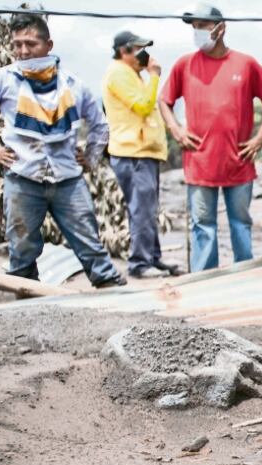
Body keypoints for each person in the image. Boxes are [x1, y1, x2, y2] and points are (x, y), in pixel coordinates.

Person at [0, 14, 125, 287]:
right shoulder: (2, 79)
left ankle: (110, 288)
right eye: (17, 45)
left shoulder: (72, 85)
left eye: (30, 43)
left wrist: (90, 157)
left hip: (67, 178)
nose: (23, 51)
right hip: (23, 176)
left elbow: (100, 125)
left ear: (48, 44)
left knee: (88, 239)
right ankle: (26, 298)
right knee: (22, 247)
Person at [158, 3, 262, 273]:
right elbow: (163, 101)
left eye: (202, 26)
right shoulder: (184, 64)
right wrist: (176, 130)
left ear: (220, 28)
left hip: (238, 161)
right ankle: (205, 280)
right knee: (203, 226)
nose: (197, 32)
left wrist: (259, 139)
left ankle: (245, 274)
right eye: (194, 28)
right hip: (200, 163)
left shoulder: (246, 64)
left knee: (240, 223)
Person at [102, 30, 179, 279]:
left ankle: (152, 258)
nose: (145, 55)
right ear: (125, 52)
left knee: (148, 209)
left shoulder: (132, 75)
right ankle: (140, 264)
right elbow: (144, 106)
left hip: (143, 153)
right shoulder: (119, 74)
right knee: (142, 211)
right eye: (139, 49)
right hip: (132, 154)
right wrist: (155, 76)